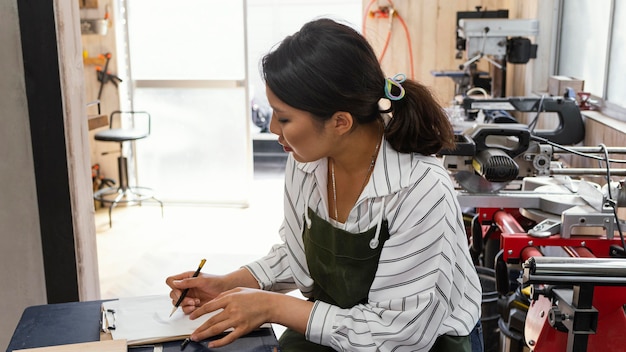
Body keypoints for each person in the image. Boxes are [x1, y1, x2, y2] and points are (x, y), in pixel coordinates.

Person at [166, 18, 482, 352]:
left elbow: (398, 332)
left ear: (340, 122)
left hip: (420, 341)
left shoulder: (419, 188)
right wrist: (229, 284)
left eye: (284, 118)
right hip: (338, 325)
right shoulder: (306, 160)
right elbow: (301, 252)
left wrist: (270, 306)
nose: (273, 128)